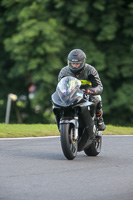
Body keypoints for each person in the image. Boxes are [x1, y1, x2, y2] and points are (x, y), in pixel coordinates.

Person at [58, 49, 106, 131]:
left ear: (83, 62)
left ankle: (99, 119)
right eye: (73, 63)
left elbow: (99, 87)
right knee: (58, 103)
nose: (75, 66)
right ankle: (62, 122)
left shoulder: (91, 70)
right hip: (71, 95)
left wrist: (90, 91)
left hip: (87, 94)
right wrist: (63, 92)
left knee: (96, 98)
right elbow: (59, 86)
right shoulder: (64, 71)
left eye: (77, 64)